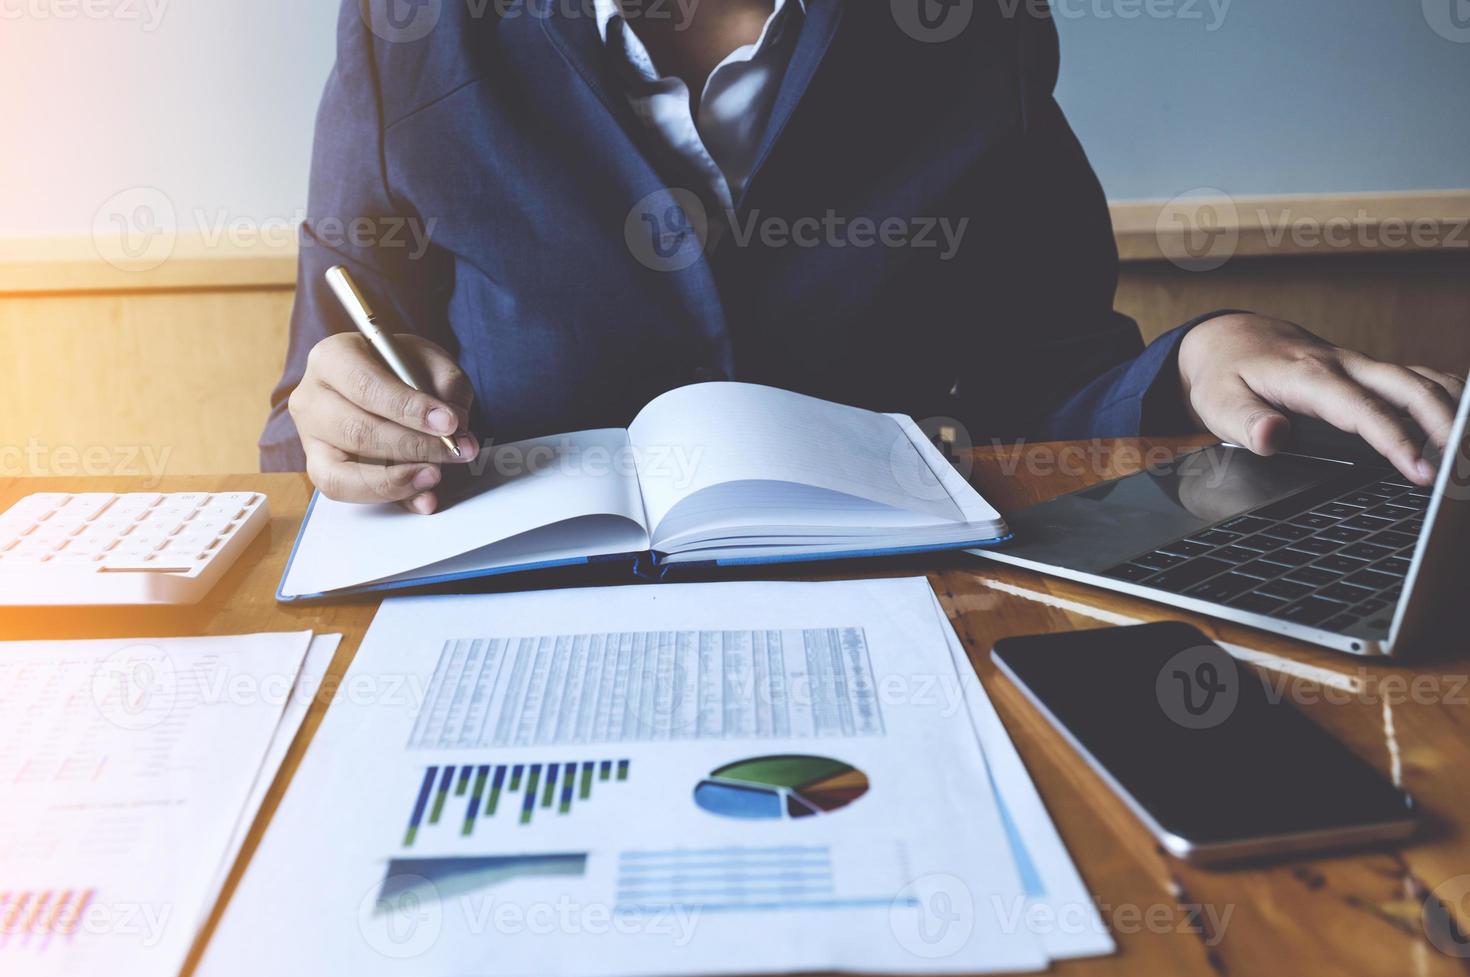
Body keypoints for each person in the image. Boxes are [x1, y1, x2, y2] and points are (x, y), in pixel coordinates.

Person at [264, 0, 1464, 514]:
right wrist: (338, 427)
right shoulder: (406, 28)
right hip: (513, 631)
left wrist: (1202, 352)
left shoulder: (960, 26)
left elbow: (1042, 374)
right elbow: (317, 399)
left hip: (904, 625)